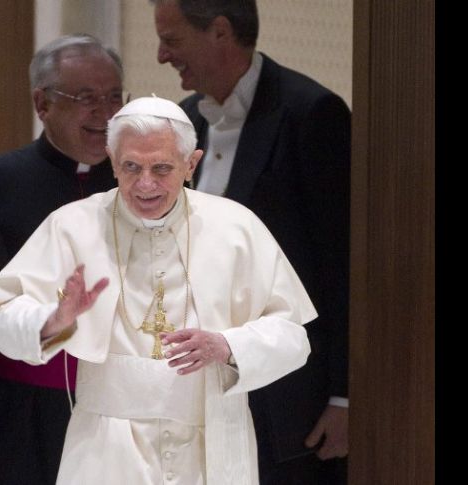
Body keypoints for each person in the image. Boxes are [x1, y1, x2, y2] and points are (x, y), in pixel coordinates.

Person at [0, 96, 316, 485]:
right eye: (131, 167)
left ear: (191, 164)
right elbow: (5, 320)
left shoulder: (236, 228)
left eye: (161, 168)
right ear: (112, 161)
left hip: (209, 443)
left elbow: (293, 336)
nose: (145, 184)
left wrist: (228, 346)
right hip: (107, 451)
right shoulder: (71, 226)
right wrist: (52, 320)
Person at [151, 1, 351, 483]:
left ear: (220, 32)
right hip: (193, 395)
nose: (160, 55)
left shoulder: (311, 114)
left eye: (172, 40)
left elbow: (344, 267)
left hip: (287, 402)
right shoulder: (182, 121)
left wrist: (347, 397)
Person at [0, 34, 121, 485]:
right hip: (20, 407)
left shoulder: (144, 187)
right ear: (42, 103)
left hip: (116, 404)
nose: (105, 112)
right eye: (86, 98)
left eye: (115, 96)